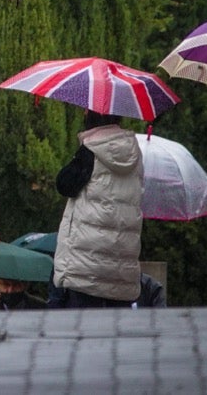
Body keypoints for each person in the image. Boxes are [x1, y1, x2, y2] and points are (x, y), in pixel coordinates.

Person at [49, 111, 144, 308]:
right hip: (121, 270)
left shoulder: (91, 151)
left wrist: (79, 155)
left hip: (85, 266)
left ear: (93, 116)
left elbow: (65, 185)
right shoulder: (135, 153)